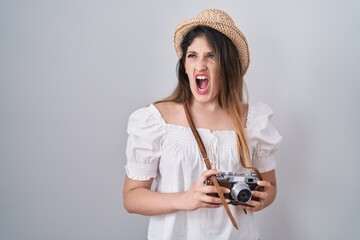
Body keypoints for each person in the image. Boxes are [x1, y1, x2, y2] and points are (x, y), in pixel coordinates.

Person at [123, 9, 282, 240]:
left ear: (227, 65)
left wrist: (262, 199)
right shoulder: (155, 120)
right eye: (192, 56)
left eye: (211, 56)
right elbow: (131, 197)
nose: (200, 65)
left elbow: (271, 187)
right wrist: (187, 199)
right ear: (184, 66)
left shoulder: (253, 120)